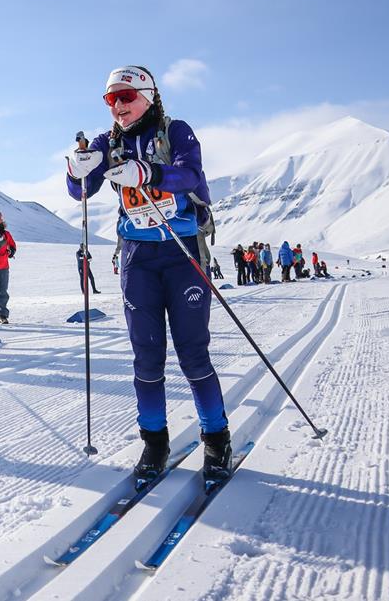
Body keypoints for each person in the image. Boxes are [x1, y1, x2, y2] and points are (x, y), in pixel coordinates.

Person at [65, 64, 232, 485]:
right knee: (146, 357)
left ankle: (217, 439)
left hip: (181, 253)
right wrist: (76, 170)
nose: (118, 107)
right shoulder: (109, 142)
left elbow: (190, 174)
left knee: (193, 352)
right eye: (110, 99)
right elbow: (80, 191)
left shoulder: (175, 131)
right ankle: (154, 442)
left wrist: (148, 173)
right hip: (138, 256)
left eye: (125, 96)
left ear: (149, 95)